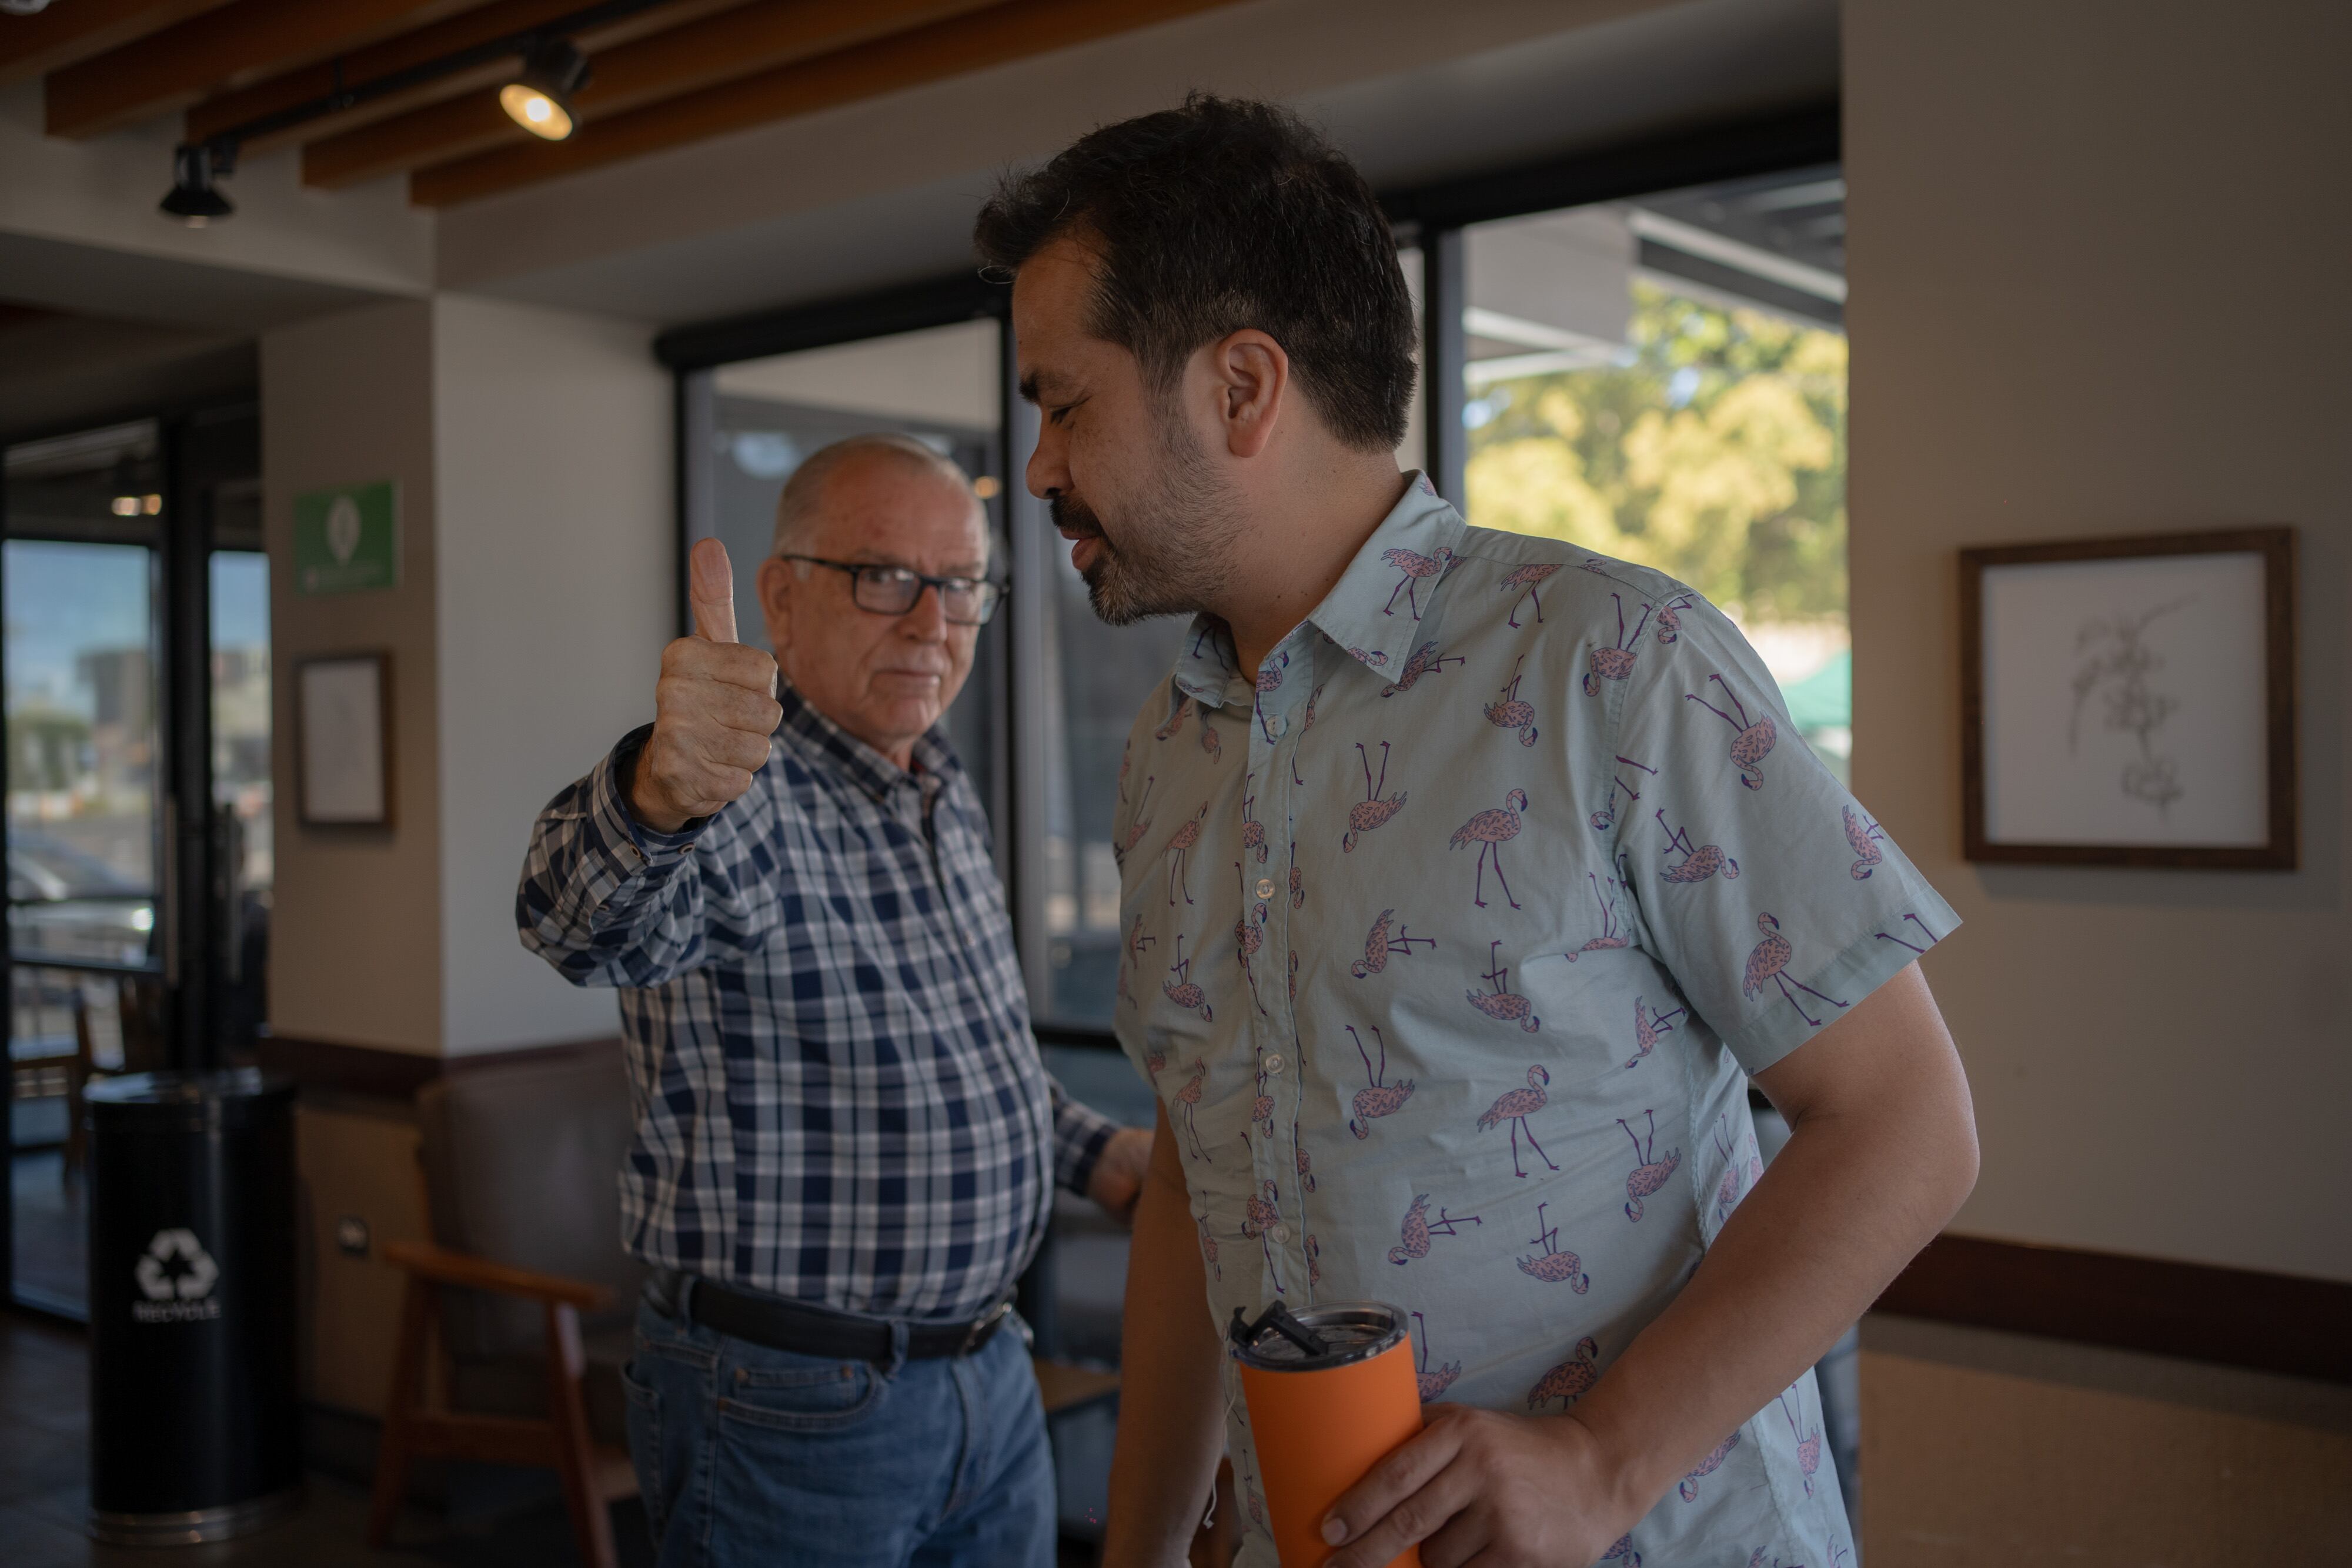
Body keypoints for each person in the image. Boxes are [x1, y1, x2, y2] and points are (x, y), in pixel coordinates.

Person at [975, 96, 1979, 1568]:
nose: (1042, 467)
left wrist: (1595, 1458)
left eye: (1065, 403)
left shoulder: (1612, 660)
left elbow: (1906, 1121)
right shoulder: (1166, 753)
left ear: (1240, 387)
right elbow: (1200, 1166)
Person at [517, 432, 1151, 1568]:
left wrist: (1101, 1156)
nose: (929, 622)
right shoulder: (741, 795)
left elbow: (972, 1061)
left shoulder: (937, 785)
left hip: (989, 1379)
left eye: (960, 585)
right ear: (781, 599)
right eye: (883, 576)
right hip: (790, 1408)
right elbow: (574, 922)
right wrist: (656, 793)